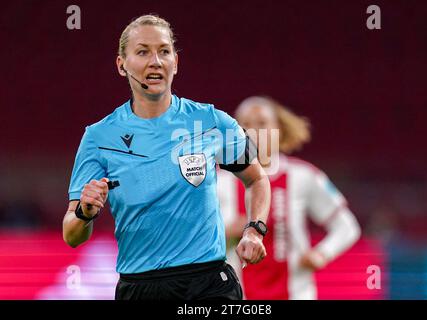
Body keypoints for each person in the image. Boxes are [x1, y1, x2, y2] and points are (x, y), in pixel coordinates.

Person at [62, 14, 271, 300]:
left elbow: (257, 179)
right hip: (140, 287)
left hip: (210, 283)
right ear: (121, 65)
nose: (155, 61)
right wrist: (85, 211)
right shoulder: (99, 137)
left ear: (176, 62)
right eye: (143, 52)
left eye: (163, 51)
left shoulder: (211, 122)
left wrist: (254, 230)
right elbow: (72, 235)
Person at [218, 96, 361, 299]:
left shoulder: (304, 176)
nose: (253, 131)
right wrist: (225, 231)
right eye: (245, 124)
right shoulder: (219, 181)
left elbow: (347, 226)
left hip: (297, 294)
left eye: (261, 123)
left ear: (278, 129)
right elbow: (190, 238)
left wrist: (322, 253)